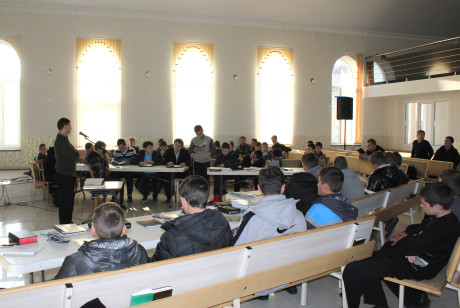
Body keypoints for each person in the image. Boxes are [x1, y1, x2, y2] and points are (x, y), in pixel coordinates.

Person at [343, 183, 460, 308]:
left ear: (437, 206)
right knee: (371, 256)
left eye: (423, 204)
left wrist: (407, 244)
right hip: (419, 258)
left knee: (352, 270)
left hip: (420, 267)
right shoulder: (443, 216)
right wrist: (407, 237)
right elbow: (420, 229)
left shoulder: (444, 228)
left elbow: (410, 245)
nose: (420, 205)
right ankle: (380, 304)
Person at [55, 202, 148, 279]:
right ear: (124, 229)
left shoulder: (75, 261)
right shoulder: (139, 252)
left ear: (93, 229)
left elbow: (57, 290)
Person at [151, 175, 233, 262]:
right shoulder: (222, 221)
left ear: (183, 201)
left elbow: (153, 267)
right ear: (208, 199)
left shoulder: (171, 237)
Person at [234, 166, 307, 245]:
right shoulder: (299, 216)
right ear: (283, 187)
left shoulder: (252, 218)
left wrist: (235, 237)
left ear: (259, 189)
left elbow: (236, 248)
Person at [54, 118, 80, 224]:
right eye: (70, 125)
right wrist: (75, 153)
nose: (71, 127)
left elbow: (74, 152)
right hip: (64, 174)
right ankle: (65, 223)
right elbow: (73, 155)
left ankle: (68, 221)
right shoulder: (60, 140)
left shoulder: (64, 139)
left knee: (69, 200)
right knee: (65, 200)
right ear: (65, 126)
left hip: (68, 174)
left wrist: (74, 152)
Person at [112, 139, 137, 203]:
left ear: (125, 145)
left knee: (129, 179)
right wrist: (114, 162)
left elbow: (135, 160)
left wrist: (129, 162)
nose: (121, 149)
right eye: (119, 148)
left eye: (122, 147)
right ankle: (114, 195)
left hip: (129, 170)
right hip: (120, 169)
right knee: (115, 178)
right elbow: (114, 159)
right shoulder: (117, 151)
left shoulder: (132, 150)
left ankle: (129, 195)